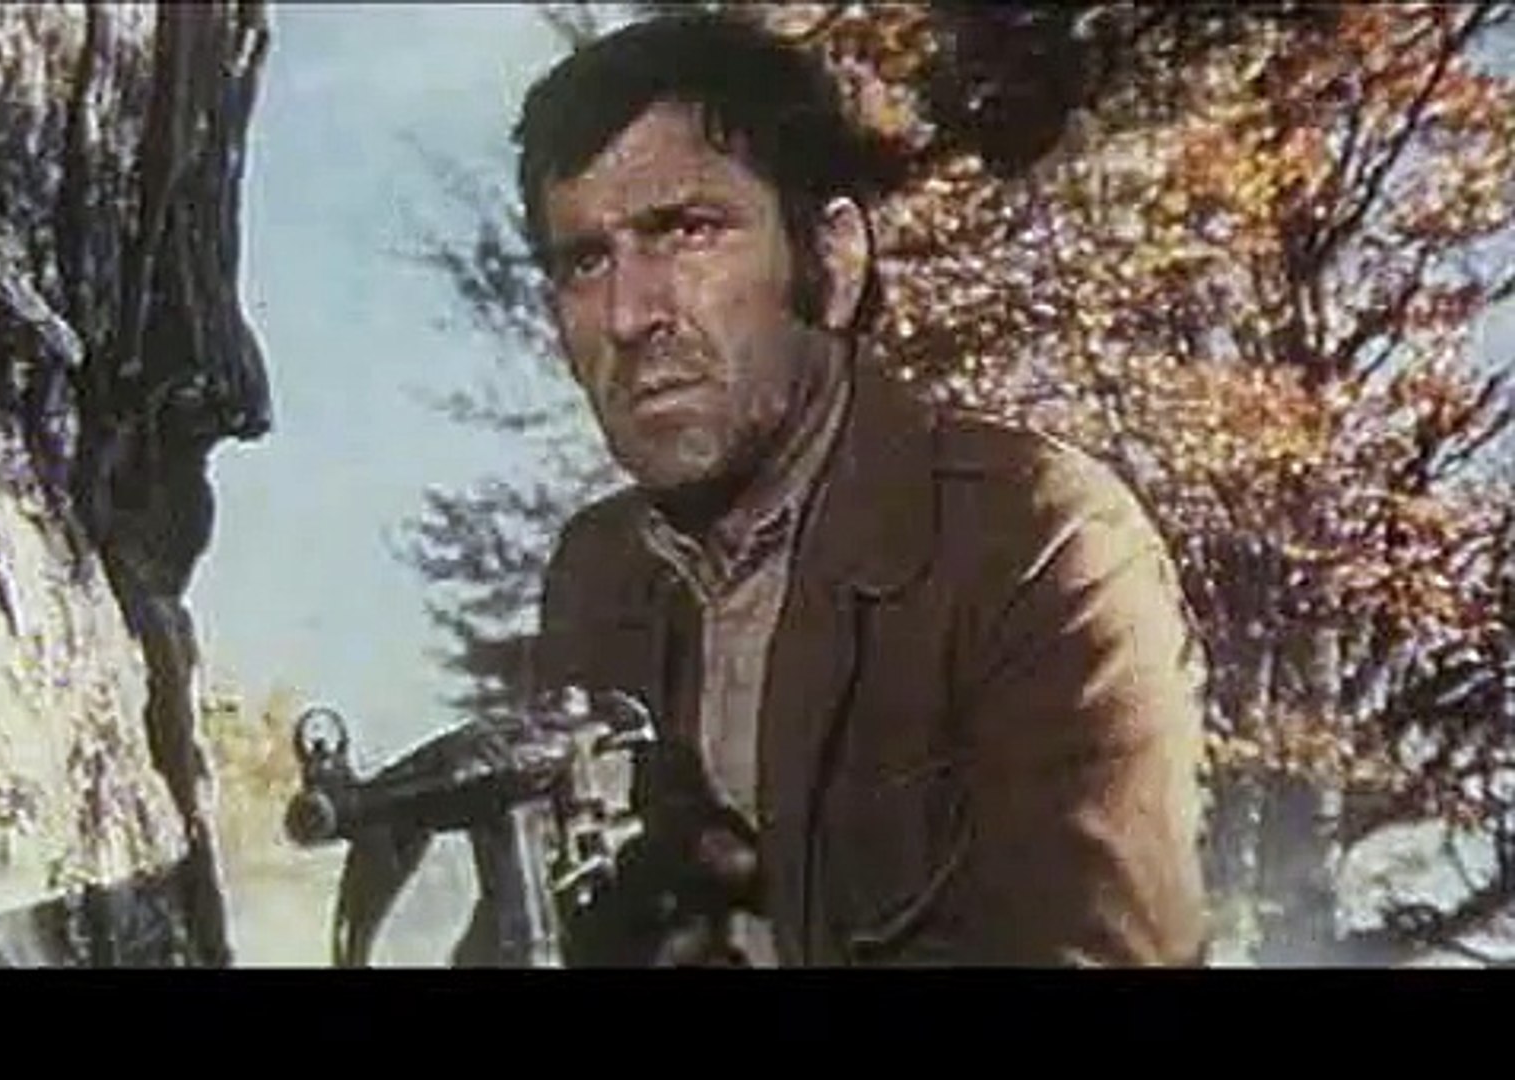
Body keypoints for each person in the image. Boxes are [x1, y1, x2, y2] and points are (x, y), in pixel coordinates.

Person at [515, 12, 1208, 966]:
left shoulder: (1038, 540)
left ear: (835, 260)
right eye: (584, 262)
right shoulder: (595, 579)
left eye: (687, 231)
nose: (630, 314)